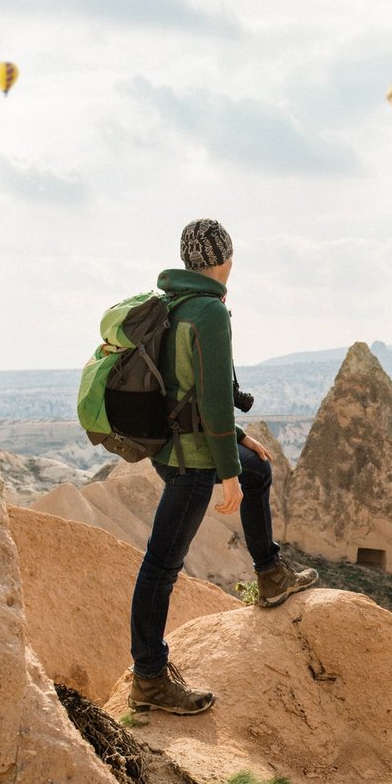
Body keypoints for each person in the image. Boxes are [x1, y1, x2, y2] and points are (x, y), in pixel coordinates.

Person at [128, 218, 317, 716]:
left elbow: (179, 392)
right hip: (191, 463)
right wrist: (226, 469)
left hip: (173, 450)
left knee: (261, 470)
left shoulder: (172, 304)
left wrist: (238, 443)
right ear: (225, 260)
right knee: (160, 569)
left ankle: (271, 573)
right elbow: (212, 399)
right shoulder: (208, 311)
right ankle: (148, 677)